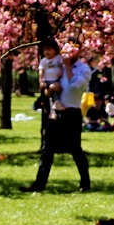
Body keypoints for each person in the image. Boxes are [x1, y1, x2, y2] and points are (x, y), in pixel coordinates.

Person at [23, 44, 91, 193]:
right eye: (65, 51)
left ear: (78, 52)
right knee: (47, 149)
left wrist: (67, 67)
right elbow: (46, 92)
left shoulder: (83, 69)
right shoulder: (57, 67)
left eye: (71, 51)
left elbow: (75, 86)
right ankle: (39, 184)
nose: (67, 55)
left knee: (75, 149)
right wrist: (50, 89)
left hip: (72, 113)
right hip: (55, 113)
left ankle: (85, 183)